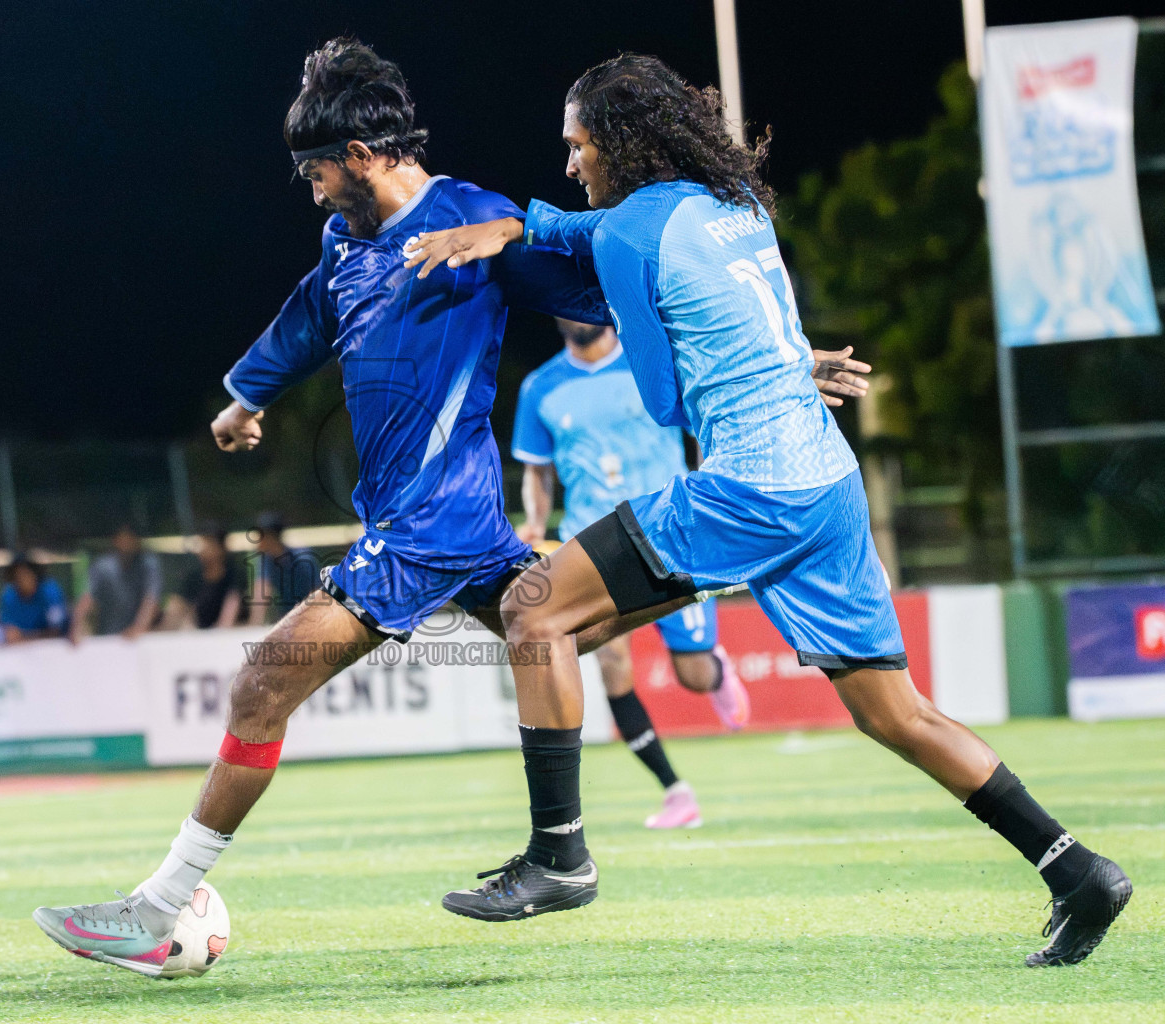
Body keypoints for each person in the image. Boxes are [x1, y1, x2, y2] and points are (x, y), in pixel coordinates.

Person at [31, 40, 869, 974]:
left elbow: (628, 291)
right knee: (550, 626)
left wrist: (782, 363)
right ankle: (756, 562)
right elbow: (314, 310)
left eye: (312, 172)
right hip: (467, 531)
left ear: (358, 156)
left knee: (264, 680)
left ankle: (157, 908)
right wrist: (247, 398)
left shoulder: (475, 221)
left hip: (423, 532)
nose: (307, 192)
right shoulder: (345, 239)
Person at [402, 53, 1130, 964]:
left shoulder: (630, 234)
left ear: (618, 143)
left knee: (533, 611)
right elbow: (629, 253)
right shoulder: (735, 206)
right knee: (894, 713)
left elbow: (665, 400)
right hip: (825, 484)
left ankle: (560, 858)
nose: (569, 162)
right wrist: (518, 225)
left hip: (751, 487)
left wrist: (525, 238)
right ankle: (1077, 871)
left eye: (576, 143)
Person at [514, 316, 764, 828]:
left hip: (671, 532)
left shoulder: (651, 362)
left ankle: (714, 668)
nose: (574, 317)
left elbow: (701, 427)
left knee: (693, 677)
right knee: (612, 666)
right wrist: (536, 522)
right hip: (591, 544)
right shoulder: (540, 387)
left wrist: (711, 484)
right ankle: (675, 791)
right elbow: (537, 469)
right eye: (563, 310)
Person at [70, 523, 162, 642]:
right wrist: (77, 626)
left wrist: (139, 628)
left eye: (130, 539)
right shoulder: (103, 566)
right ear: (115, 540)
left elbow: (151, 600)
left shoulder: (148, 564)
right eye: (123, 538)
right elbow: (86, 598)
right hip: (108, 637)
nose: (126, 544)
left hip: (139, 639)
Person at [163, 521, 246, 630]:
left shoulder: (233, 573)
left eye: (207, 543)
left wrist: (221, 631)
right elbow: (177, 604)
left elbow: (232, 605)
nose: (201, 548)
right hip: (199, 631)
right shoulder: (194, 575)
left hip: (230, 632)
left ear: (219, 547)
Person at [246, 511, 321, 626]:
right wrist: (254, 624)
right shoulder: (266, 560)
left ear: (270, 537)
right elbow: (261, 591)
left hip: (309, 618)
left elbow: (316, 593)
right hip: (286, 619)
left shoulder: (303, 559)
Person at [0, 553, 70, 642]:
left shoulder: (50, 592)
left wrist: (25, 638)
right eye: (17, 576)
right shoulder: (9, 595)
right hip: (19, 650)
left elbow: (57, 630)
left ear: (34, 575)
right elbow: (6, 629)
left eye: (25, 574)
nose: (21, 580)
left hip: (52, 647)